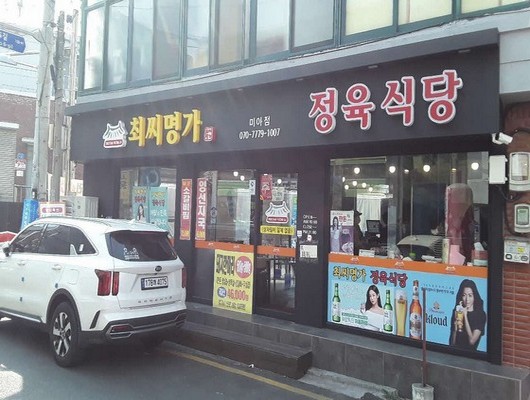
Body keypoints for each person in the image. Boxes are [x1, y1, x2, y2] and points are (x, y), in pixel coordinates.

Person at [449, 279, 487, 351]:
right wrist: (455, 328)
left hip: (472, 355)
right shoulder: (457, 312)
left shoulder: (480, 315)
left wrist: (465, 316)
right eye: (464, 295)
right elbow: (452, 343)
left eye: (470, 295)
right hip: (456, 353)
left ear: (474, 296)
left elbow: (472, 342)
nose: (467, 299)